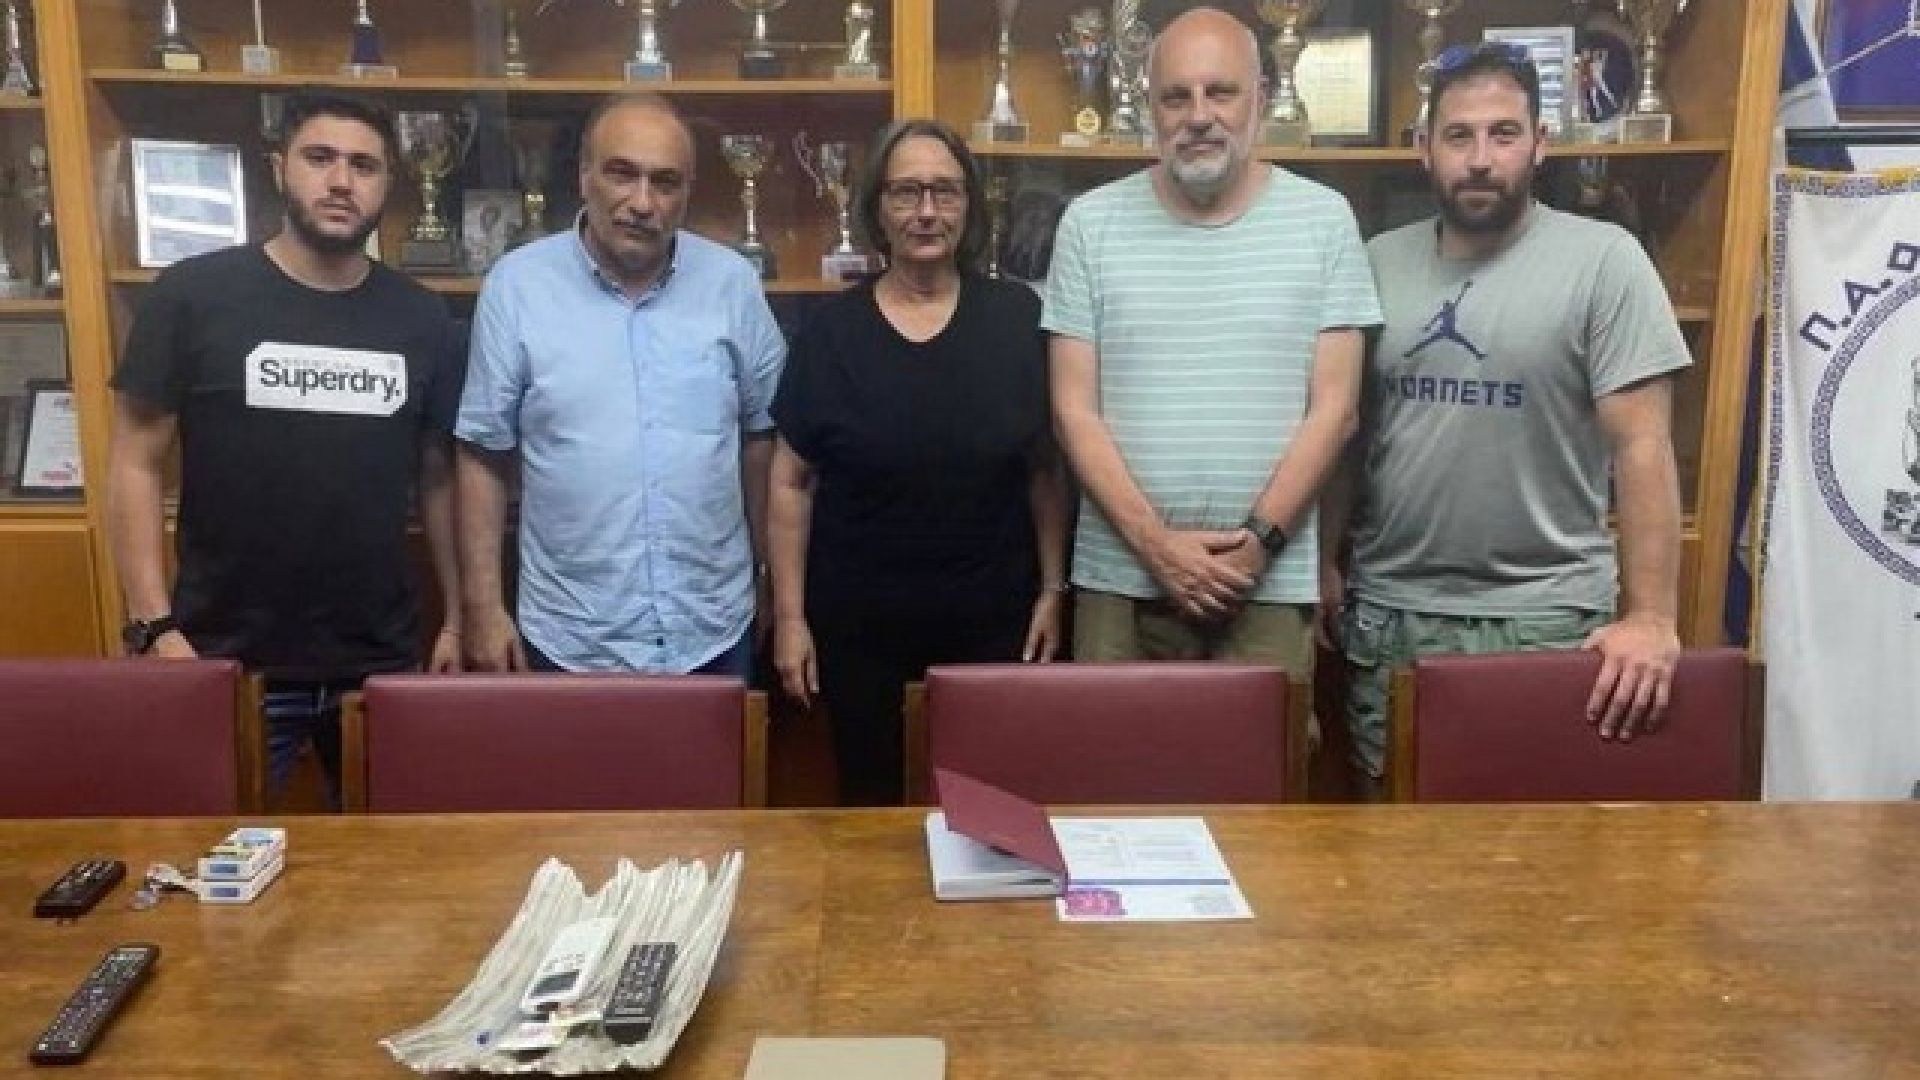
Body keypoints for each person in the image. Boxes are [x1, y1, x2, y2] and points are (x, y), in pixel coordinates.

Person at [1328, 41, 1692, 791]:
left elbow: (1643, 445)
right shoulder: (1377, 262)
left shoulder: (1605, 261)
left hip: (1548, 617)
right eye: (1458, 136)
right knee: (1391, 844)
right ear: (1424, 148)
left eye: (1503, 134)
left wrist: (1652, 617)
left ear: (1540, 143)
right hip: (1392, 614)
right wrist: (1324, 562)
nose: (1480, 159)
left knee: (1531, 845)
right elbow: (1344, 433)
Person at [106, 91, 463, 804]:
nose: (341, 181)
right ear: (279, 168)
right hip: (223, 661)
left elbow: (438, 479)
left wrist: (455, 615)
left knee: (386, 861)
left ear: (387, 185)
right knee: (212, 856)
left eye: (363, 165)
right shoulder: (192, 296)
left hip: (377, 663)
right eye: (320, 158)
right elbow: (135, 460)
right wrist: (152, 626)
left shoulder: (423, 319)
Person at [1044, 6, 1380, 677]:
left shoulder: (1324, 220)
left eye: (1220, 92)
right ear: (1150, 107)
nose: (1199, 115)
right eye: (1177, 96)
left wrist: (1256, 546)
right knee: (1109, 749)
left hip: (1266, 581)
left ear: (1261, 98)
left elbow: (1335, 411)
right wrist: (1157, 548)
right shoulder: (1089, 223)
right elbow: (1073, 412)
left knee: (1266, 752)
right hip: (1121, 582)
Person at [768, 119, 1069, 806]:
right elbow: (790, 481)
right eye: (906, 192)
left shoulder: (1017, 319)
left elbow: (1045, 471)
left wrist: (1053, 591)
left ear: (969, 205)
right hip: (857, 627)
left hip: (993, 621)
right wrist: (789, 617)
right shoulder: (831, 332)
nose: (926, 211)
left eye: (944, 191)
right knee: (868, 810)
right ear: (876, 207)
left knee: (989, 808)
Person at [456, 93, 783, 677]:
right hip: (569, 635)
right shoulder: (517, 286)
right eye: (621, 174)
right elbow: (482, 451)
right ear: (584, 176)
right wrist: (482, 608)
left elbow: (764, 440)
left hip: (712, 628)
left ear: (687, 192)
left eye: (665, 182)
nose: (642, 203)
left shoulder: (732, 284)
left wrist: (772, 580)